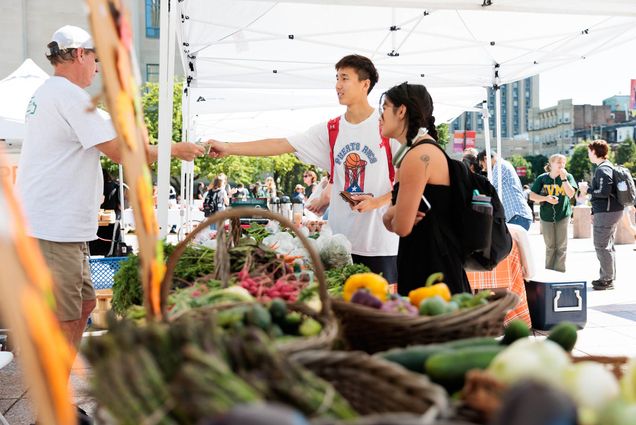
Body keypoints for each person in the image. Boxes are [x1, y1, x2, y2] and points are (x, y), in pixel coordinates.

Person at [15, 25, 203, 369]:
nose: (97, 68)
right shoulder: (69, 96)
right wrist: (175, 149)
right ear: (79, 55)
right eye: (95, 59)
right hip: (53, 227)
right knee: (67, 317)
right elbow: (123, 152)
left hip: (59, 227)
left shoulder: (51, 93)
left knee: (84, 306)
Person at [206, 55, 400, 282]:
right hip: (337, 245)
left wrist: (377, 202)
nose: (338, 85)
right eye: (337, 78)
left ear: (365, 84)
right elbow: (281, 144)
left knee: (379, 309)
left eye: (345, 78)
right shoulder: (331, 130)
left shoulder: (386, 126)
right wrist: (228, 147)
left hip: (380, 244)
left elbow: (412, 180)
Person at [380, 82, 471, 295]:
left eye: (384, 107)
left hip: (430, 270)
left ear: (401, 111)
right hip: (433, 263)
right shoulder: (417, 152)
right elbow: (397, 215)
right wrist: (391, 216)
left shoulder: (417, 156)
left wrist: (389, 217)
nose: (381, 116)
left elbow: (401, 226)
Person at [529, 154, 577, 272]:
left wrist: (564, 179)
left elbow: (571, 194)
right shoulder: (542, 178)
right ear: (551, 164)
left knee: (561, 246)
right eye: (558, 162)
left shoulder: (568, 176)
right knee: (550, 246)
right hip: (546, 216)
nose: (561, 165)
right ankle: (549, 271)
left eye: (563, 162)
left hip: (563, 214)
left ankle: (560, 271)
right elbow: (532, 196)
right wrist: (546, 199)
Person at [587, 140, 623, 290]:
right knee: (607, 246)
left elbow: (604, 192)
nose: (588, 154)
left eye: (589, 151)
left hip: (607, 212)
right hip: (610, 211)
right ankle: (608, 277)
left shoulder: (603, 169)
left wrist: (587, 190)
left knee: (601, 246)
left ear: (595, 152)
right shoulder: (607, 167)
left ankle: (607, 280)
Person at [478, 150, 534, 231]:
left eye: (482, 164)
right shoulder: (503, 165)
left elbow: (490, 189)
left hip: (516, 215)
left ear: (486, 159)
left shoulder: (499, 166)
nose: (484, 168)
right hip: (518, 215)